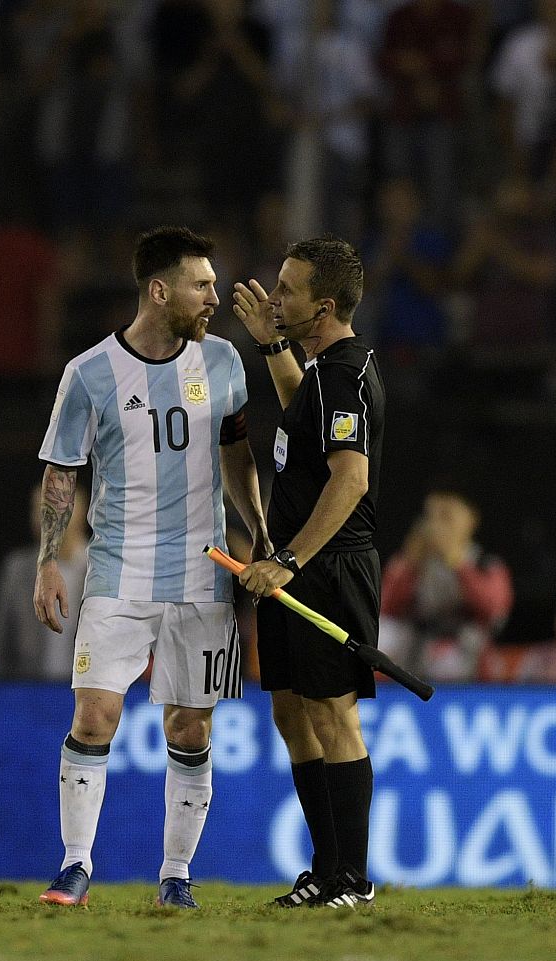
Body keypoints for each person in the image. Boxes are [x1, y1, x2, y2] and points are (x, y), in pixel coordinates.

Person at [32, 227, 269, 910]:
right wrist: (49, 560)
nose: (215, 297)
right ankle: (75, 864)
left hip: (206, 576)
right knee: (97, 713)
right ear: (159, 290)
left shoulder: (223, 361)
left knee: (190, 728)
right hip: (117, 571)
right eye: (202, 285)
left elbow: (235, 452)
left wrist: (261, 534)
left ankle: (176, 875)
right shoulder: (89, 373)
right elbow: (61, 473)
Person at [230, 236, 384, 909]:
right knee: (293, 712)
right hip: (287, 564)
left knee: (332, 714)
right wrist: (271, 343)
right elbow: (301, 409)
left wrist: (290, 561)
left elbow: (351, 479)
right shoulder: (321, 373)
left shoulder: (347, 374)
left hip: (324, 565)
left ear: (323, 306)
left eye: (288, 290)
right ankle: (323, 870)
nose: (275, 296)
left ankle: (354, 878)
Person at [380, 490, 513, 682]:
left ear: (471, 519)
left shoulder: (485, 563)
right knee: (382, 633)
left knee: (458, 650)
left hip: (467, 654)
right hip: (419, 650)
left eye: (446, 515)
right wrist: (410, 564)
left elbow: (494, 612)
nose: (436, 524)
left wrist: (456, 561)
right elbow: (386, 609)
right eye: (430, 516)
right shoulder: (413, 561)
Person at [0, 483, 89, 680]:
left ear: (81, 510)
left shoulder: (100, 568)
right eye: (39, 509)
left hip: (87, 692)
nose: (45, 517)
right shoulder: (16, 569)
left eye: (54, 506)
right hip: (28, 692)